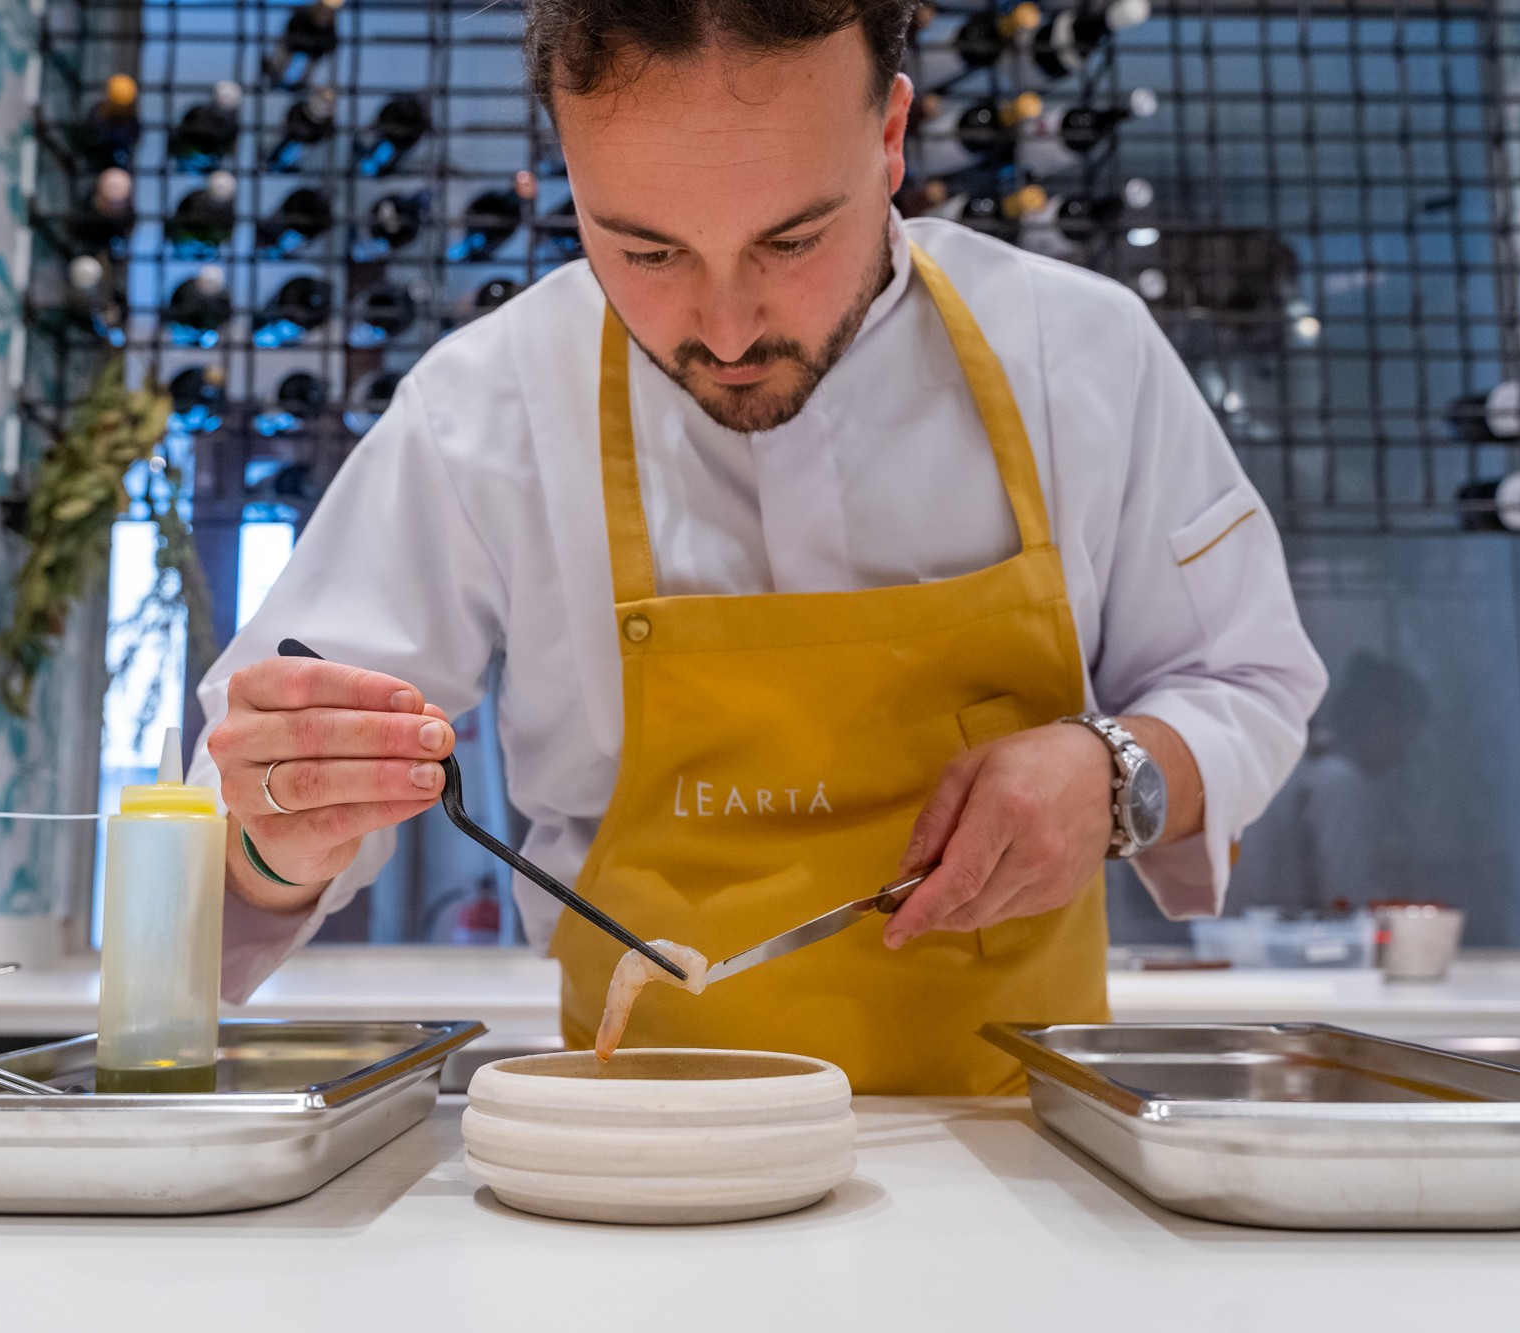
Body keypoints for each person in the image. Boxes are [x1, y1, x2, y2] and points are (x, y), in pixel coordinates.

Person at [191, 0, 1327, 1094]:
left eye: (791, 239)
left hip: (1016, 1149)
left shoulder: (1080, 352)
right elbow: (239, 833)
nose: (727, 330)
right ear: (567, 175)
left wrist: (1116, 773)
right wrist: (283, 826)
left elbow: (1246, 684)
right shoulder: (478, 411)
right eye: (643, 252)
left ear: (888, 137)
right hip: (638, 1161)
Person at [1225, 653, 1429, 915]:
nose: (1403, 755)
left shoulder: (1299, 765)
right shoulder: (1341, 782)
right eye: (1405, 737)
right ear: (1382, 721)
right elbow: (1344, 896)